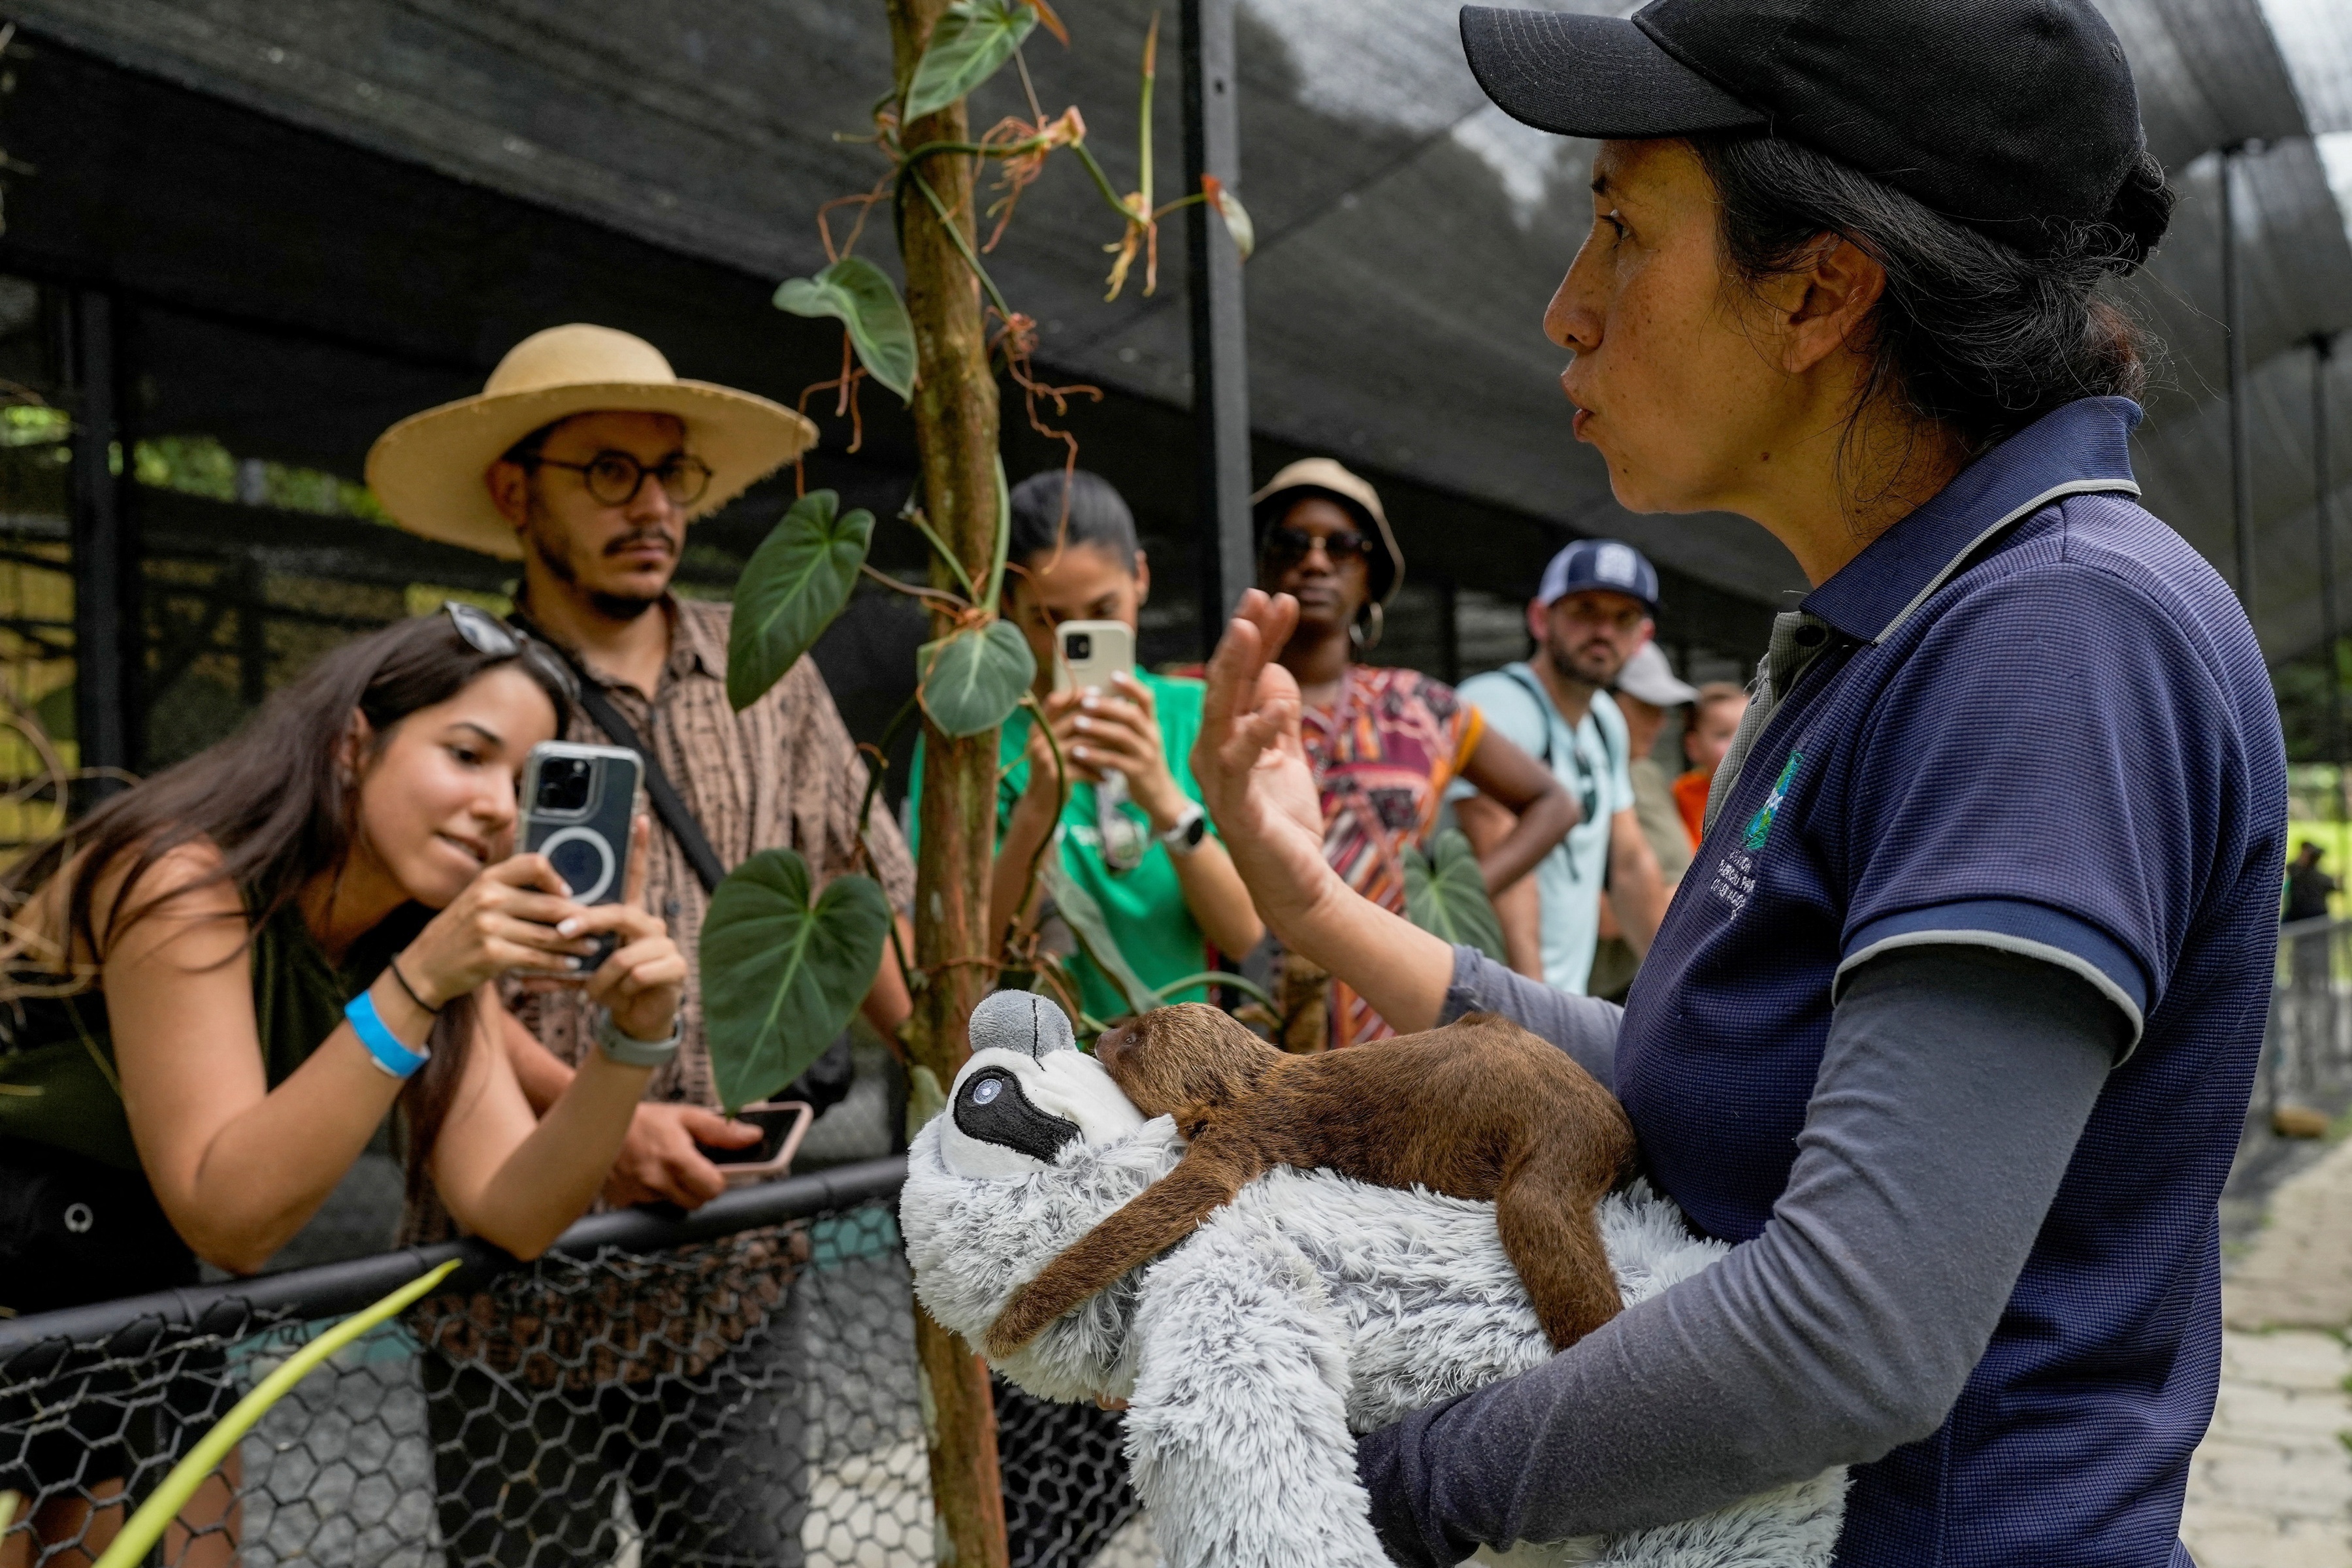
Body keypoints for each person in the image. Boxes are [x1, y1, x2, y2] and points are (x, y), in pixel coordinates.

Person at [1190, 0, 2283, 1561]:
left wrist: (1374, 1484)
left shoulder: (2059, 632)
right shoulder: (1889, 628)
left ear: (1821, 290)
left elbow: (1854, 1325)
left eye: (1621, 226)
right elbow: (1699, 1074)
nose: (1567, 310)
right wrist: (1311, 900)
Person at [367, 323, 916, 1563]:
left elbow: (864, 890)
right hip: (513, 1296)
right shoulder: (454, 690)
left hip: (736, 1277)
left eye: (671, 474)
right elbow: (409, 963)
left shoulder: (764, 661)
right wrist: (600, 1121)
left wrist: (972, 1073)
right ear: (516, 493)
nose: (653, 505)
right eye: (608, 472)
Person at [0, 610, 683, 1568]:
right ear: (353, 742)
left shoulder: (425, 937)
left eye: (527, 784)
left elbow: (512, 1209)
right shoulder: (182, 877)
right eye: (468, 754)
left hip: (128, 1274)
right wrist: (417, 988)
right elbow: (232, 1218)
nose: (498, 806)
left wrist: (632, 1038)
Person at [909, 468, 1261, 1026]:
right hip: (1033, 1081)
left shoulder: (1192, 716)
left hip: (1173, 1072)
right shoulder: (971, 738)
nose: (1073, 645)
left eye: (1102, 613)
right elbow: (971, 956)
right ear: (1008, 609)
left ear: (1140, 578)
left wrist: (1165, 799)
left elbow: (1242, 932)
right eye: (1048, 620)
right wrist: (1037, 814)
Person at [1251, 459, 1576, 1046]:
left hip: (1388, 1023)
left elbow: (1553, 801)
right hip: (1235, 1014)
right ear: (1263, 560)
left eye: (1344, 546)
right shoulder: (1204, 700)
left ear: (1371, 574)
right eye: (1291, 542)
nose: (1316, 561)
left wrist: (1456, 893)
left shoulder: (1423, 707)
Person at [1454, 540, 1669, 994]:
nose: (1603, 631)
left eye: (1623, 618)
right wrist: (1536, 1021)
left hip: (1556, 1002)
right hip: (1479, 1007)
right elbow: (1506, 863)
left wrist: (1681, 989)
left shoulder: (1606, 721)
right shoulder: (1497, 706)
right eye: (1584, 611)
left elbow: (1630, 863)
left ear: (1642, 639)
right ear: (1539, 619)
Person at [1584, 642, 1696, 999]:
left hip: (1637, 982)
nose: (1660, 724)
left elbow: (1678, 894)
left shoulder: (1642, 773)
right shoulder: (1579, 772)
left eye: (1663, 711)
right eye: (1647, 708)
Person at [1673, 681, 1748, 847]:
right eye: (1723, 735)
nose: (1741, 743)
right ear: (1694, 747)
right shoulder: (1682, 793)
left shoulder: (1772, 789)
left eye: (1749, 732)